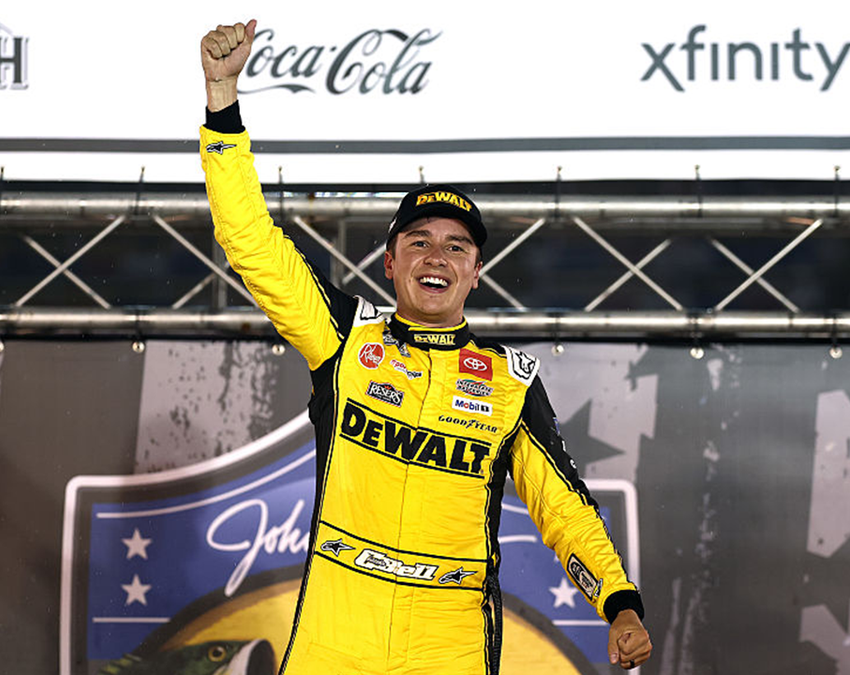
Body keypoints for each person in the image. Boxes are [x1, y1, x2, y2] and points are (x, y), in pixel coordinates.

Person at [199, 20, 652, 675]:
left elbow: (563, 507)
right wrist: (222, 104)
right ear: (390, 263)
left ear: (476, 273)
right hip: (336, 640)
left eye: (456, 246)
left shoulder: (509, 382)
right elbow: (250, 242)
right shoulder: (343, 335)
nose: (437, 256)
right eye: (419, 241)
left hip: (451, 645)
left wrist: (619, 602)